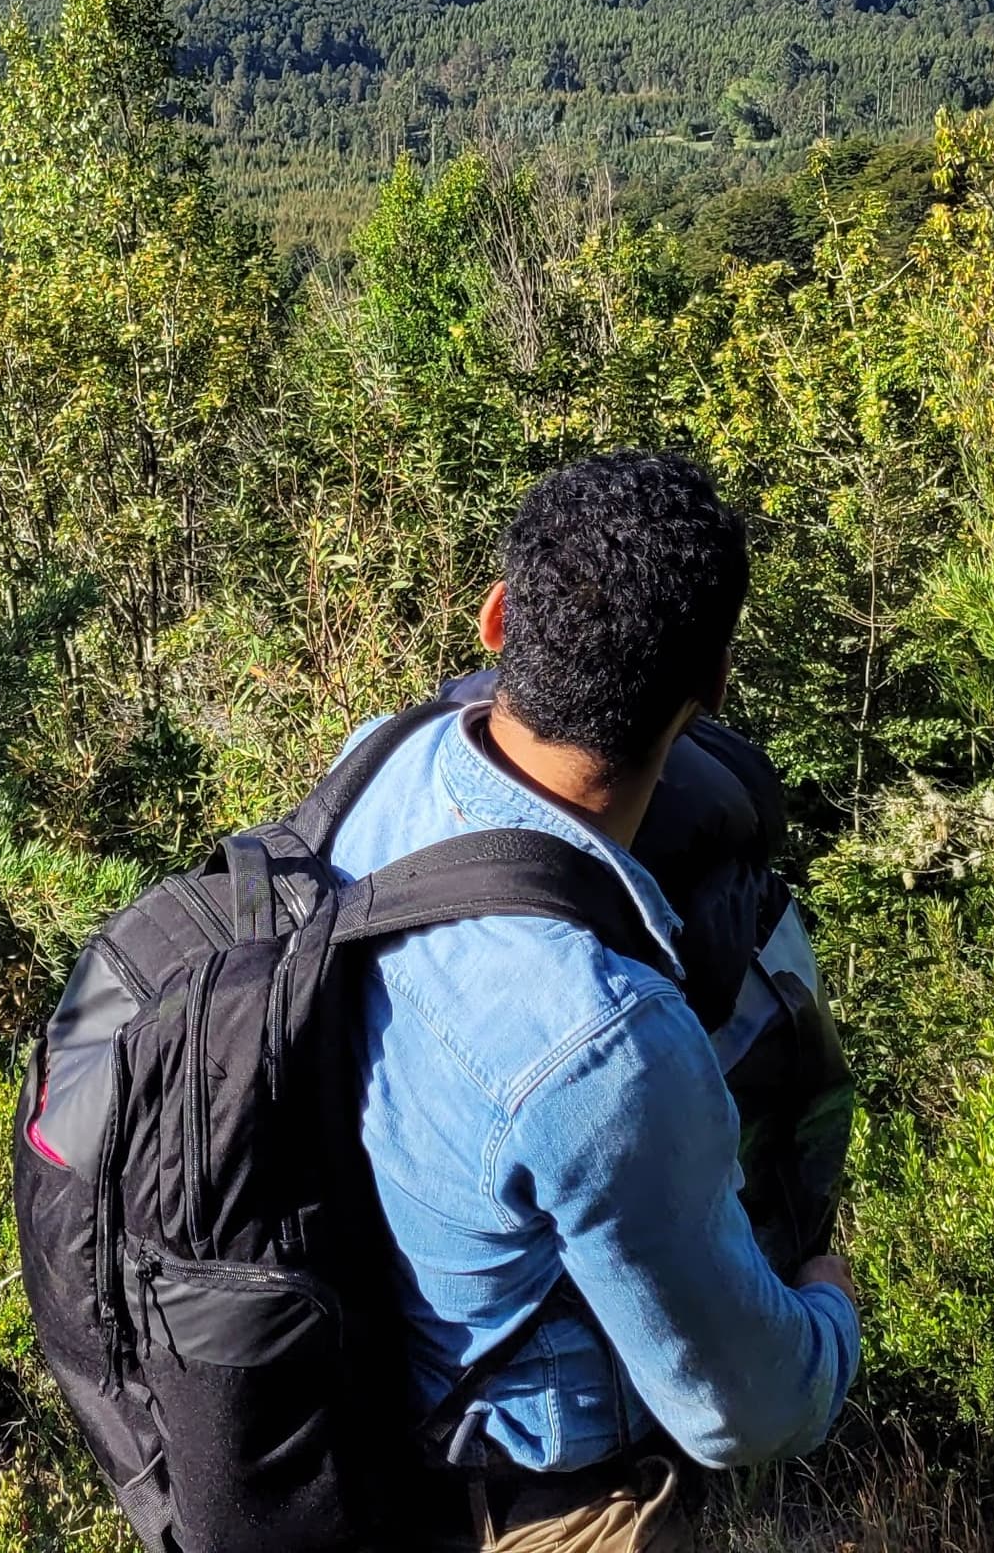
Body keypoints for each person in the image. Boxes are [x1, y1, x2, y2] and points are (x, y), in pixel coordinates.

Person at [325, 453, 859, 1549]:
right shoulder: (603, 1042)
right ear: (712, 688)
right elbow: (745, 1412)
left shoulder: (376, 767)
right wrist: (829, 1308)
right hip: (536, 1506)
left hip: (351, 1406)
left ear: (495, 618)